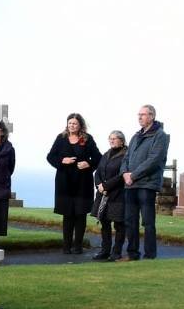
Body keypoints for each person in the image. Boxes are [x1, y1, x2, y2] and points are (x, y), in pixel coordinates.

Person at [47, 113, 102, 255]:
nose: (72, 125)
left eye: (74, 123)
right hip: (64, 182)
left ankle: (78, 246)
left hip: (83, 182)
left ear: (80, 125)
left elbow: (98, 158)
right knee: (67, 215)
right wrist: (62, 161)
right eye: (70, 123)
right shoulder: (61, 138)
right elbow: (50, 157)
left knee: (80, 214)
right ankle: (66, 246)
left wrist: (88, 164)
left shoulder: (87, 139)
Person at [120, 104, 170, 261]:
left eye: (143, 114)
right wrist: (124, 173)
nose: (140, 117)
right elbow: (126, 158)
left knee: (148, 222)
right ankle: (132, 253)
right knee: (130, 221)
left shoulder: (160, 135)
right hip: (130, 184)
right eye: (139, 114)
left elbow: (154, 160)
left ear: (152, 116)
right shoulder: (136, 136)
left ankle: (150, 255)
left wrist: (133, 175)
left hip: (147, 184)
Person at [92, 130, 128, 261]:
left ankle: (116, 252)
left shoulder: (126, 155)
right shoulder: (106, 154)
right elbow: (98, 172)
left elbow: (121, 175)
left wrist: (106, 186)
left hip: (118, 194)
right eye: (110, 138)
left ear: (122, 141)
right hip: (103, 194)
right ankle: (105, 251)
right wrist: (99, 186)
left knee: (119, 225)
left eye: (115, 138)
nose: (112, 140)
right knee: (105, 223)